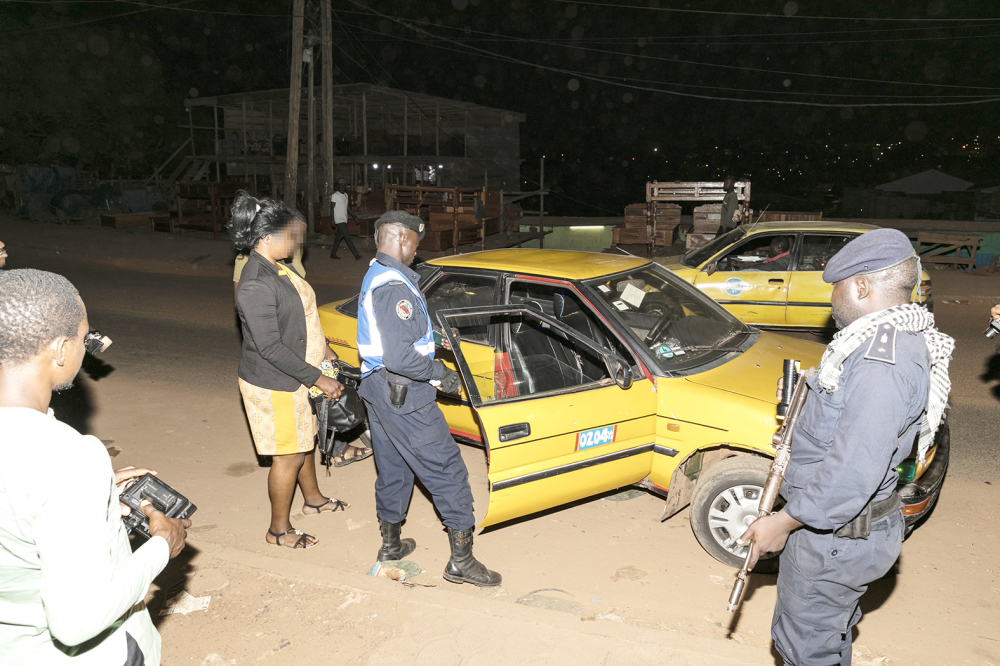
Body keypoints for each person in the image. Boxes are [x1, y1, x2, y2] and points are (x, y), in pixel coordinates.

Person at [737, 228, 954, 666]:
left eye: (836, 288)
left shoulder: (881, 362)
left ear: (861, 286)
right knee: (826, 630)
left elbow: (851, 475)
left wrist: (784, 522)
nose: (831, 299)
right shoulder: (877, 343)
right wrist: (810, 396)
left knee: (805, 645)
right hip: (840, 533)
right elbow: (852, 422)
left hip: (835, 537)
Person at [0, 268, 190, 665]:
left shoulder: (59, 462)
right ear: (60, 349)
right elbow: (76, 621)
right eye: (85, 337)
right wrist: (160, 546)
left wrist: (93, 494)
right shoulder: (67, 456)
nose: (88, 350)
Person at [356, 210, 501, 586]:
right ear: (403, 239)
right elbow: (401, 357)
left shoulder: (377, 273)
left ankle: (390, 546)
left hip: (378, 389)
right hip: (405, 393)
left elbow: (397, 338)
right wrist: (444, 377)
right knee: (448, 472)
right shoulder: (393, 287)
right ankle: (462, 561)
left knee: (393, 467)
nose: (417, 252)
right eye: (416, 244)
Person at [230, 191, 361, 550]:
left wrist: (324, 350)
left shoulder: (278, 266)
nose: (296, 243)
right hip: (276, 384)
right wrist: (318, 378)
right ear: (267, 237)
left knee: (304, 442)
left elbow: (300, 320)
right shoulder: (256, 282)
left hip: (298, 374)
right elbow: (270, 347)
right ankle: (278, 529)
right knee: (288, 455)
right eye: (290, 236)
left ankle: (314, 499)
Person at [329, 180, 362, 261]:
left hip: (344, 218)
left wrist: (354, 216)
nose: (343, 187)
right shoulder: (335, 195)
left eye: (344, 185)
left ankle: (332, 254)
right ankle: (356, 255)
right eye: (341, 185)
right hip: (338, 219)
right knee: (347, 237)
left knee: (338, 237)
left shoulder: (346, 195)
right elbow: (332, 208)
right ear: (338, 186)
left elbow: (347, 208)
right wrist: (332, 220)